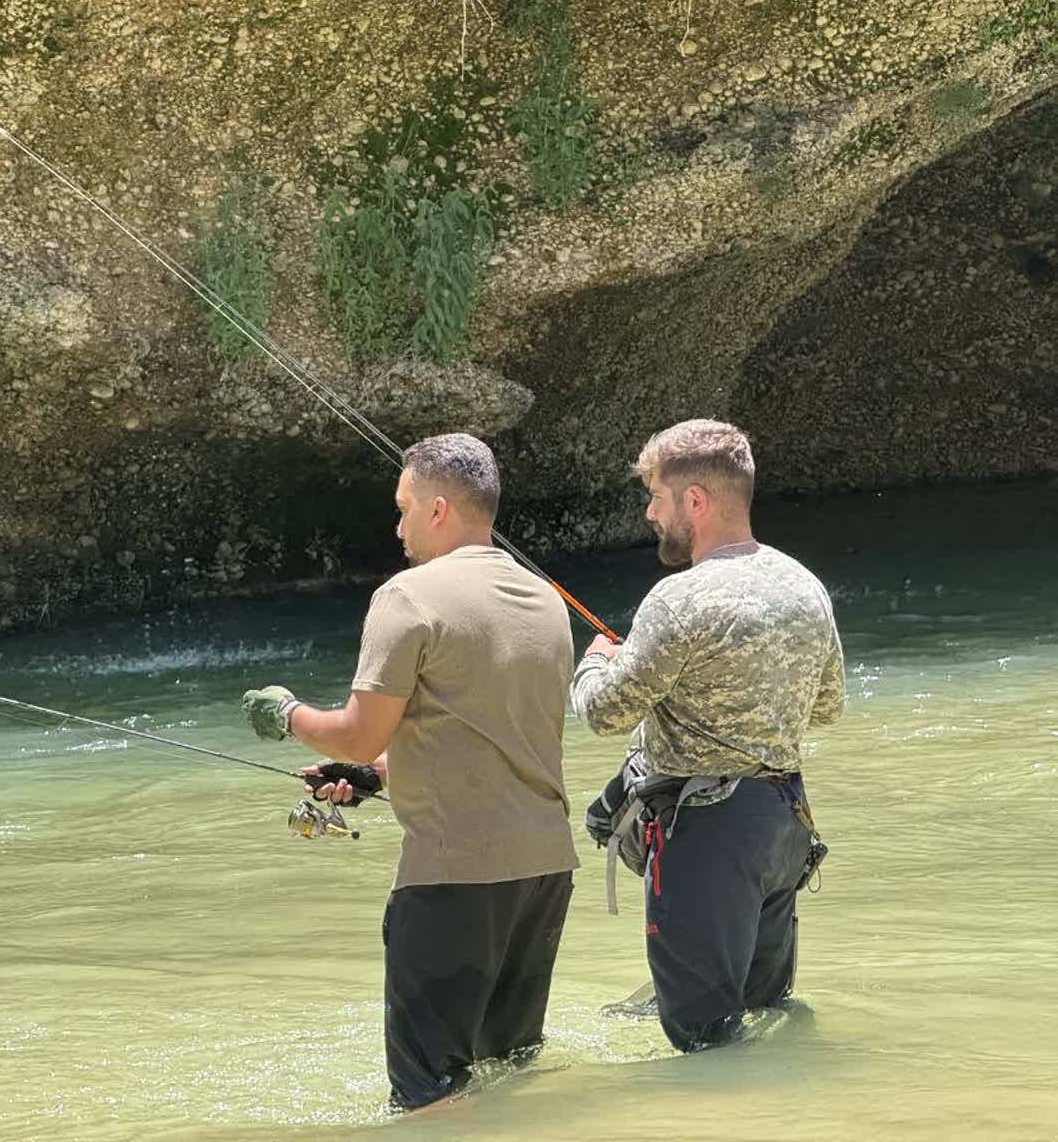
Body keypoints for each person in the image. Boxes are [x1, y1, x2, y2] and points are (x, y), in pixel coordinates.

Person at [241, 432, 578, 1111]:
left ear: (437, 510)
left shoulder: (408, 595)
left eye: (402, 509)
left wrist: (286, 712)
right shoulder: (544, 599)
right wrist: (377, 776)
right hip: (543, 871)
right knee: (510, 1073)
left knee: (431, 1097)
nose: (395, 528)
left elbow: (360, 730)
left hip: (454, 877)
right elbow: (493, 738)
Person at [571, 418, 844, 1052]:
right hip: (784, 824)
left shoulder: (678, 599)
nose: (650, 513)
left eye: (658, 499)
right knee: (765, 1017)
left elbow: (603, 715)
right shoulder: (806, 586)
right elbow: (825, 707)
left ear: (696, 501)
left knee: (704, 1042)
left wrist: (593, 662)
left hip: (707, 836)